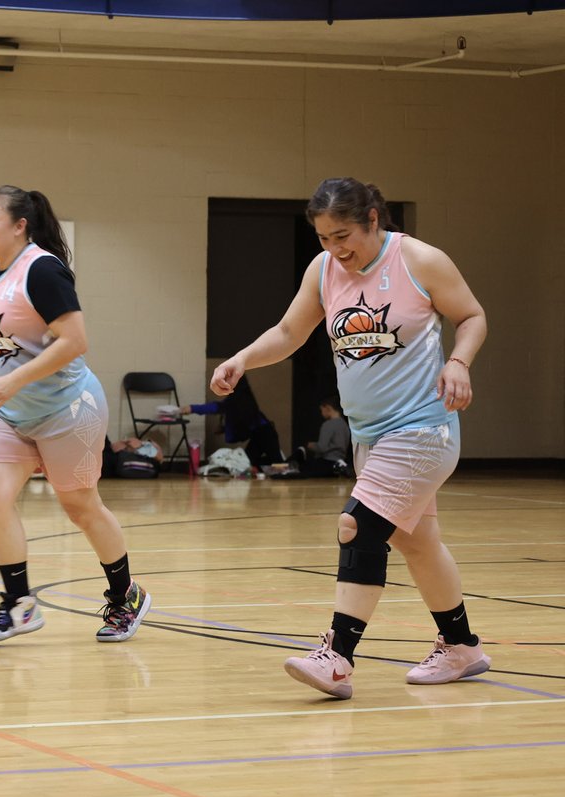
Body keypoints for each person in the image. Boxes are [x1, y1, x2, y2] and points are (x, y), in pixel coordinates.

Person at [208, 177, 489, 699]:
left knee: (356, 529)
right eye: (323, 239)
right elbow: (290, 333)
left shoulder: (420, 261)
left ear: (373, 220)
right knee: (416, 541)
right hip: (371, 437)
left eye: (343, 236)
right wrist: (242, 359)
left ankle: (336, 656)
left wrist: (458, 361)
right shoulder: (324, 271)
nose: (335, 250)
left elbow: (471, 316)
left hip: (424, 427)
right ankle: (462, 646)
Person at [0, 184, 152, 644]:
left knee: (81, 507)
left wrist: (12, 380)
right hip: (12, 413)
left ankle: (125, 594)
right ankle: (19, 604)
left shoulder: (43, 271)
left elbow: (75, 341)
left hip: (68, 410)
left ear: (19, 225)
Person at [180, 376, 285, 466]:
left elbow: (217, 407)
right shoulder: (241, 398)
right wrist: (224, 429)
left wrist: (192, 408)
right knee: (248, 462)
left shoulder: (241, 400)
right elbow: (241, 421)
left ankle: (298, 456)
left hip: (266, 433)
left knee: (279, 465)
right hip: (258, 435)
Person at [289, 396, 351, 478]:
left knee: (300, 468)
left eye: (322, 410)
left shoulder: (328, 425)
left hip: (326, 461)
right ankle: (338, 466)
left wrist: (311, 445)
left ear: (328, 408)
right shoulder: (345, 425)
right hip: (340, 458)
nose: (322, 413)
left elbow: (322, 447)